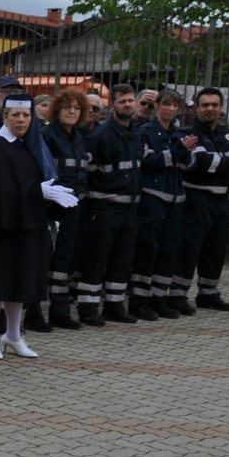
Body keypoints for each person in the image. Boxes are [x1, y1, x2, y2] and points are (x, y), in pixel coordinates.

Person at [0, 94, 73, 358]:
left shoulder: (31, 145)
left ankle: (14, 334)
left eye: (26, 115)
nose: (21, 120)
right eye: (15, 115)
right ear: (4, 116)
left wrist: (49, 195)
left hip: (29, 223)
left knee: (22, 279)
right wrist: (35, 191)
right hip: (0, 225)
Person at [175, 87, 229, 311]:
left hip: (223, 201)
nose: (210, 109)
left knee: (216, 248)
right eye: (205, 105)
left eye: (214, 105)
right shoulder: (190, 133)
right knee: (189, 248)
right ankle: (178, 295)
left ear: (221, 107)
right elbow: (202, 162)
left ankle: (208, 293)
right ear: (197, 108)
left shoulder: (227, 133)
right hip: (197, 198)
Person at [75, 82, 143, 325]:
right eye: (122, 101)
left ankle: (114, 304)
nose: (127, 104)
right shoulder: (100, 136)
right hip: (104, 208)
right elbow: (89, 173)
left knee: (122, 259)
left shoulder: (136, 133)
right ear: (112, 105)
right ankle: (88, 306)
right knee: (97, 258)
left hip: (130, 209)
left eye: (130, 100)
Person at [132, 88, 188, 317]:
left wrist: (185, 154)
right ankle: (139, 300)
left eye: (175, 106)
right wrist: (175, 153)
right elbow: (146, 162)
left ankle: (159, 297)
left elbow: (187, 165)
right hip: (152, 196)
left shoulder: (179, 133)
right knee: (148, 249)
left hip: (176, 198)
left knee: (169, 250)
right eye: (166, 104)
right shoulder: (146, 131)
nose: (171, 109)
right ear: (157, 106)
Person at [43, 87, 92, 328]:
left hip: (75, 207)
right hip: (52, 206)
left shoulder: (79, 136)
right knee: (45, 259)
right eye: (67, 107)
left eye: (76, 108)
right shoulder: (47, 134)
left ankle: (60, 312)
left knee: (65, 261)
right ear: (57, 110)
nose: (72, 112)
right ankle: (34, 313)